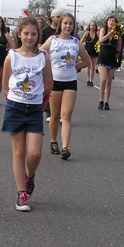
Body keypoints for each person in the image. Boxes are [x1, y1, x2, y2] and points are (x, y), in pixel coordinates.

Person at [1, 17, 52, 211]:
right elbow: (6, 82)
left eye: (33, 34)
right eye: (26, 33)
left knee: (35, 153)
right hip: (15, 106)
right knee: (19, 152)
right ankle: (21, 194)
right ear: (19, 34)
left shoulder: (43, 57)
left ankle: (29, 176)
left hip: (34, 109)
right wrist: (19, 94)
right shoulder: (11, 56)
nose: (29, 37)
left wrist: (37, 96)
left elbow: (49, 84)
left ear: (38, 35)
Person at [41, 12, 89, 160]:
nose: (68, 26)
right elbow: (39, 55)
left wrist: (76, 67)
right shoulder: (52, 41)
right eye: (65, 23)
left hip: (70, 81)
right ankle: (53, 141)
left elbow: (87, 61)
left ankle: (65, 147)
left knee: (66, 115)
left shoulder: (76, 43)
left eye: (71, 24)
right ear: (60, 25)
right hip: (54, 81)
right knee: (54, 114)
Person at [97, 16, 120, 110]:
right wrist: (110, 33)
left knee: (109, 81)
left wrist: (117, 55)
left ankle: (107, 102)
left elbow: (119, 48)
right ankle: (101, 100)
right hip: (102, 58)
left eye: (113, 21)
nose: (111, 22)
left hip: (111, 58)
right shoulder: (103, 30)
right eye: (109, 20)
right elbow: (101, 40)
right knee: (103, 79)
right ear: (107, 22)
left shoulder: (118, 34)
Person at [80, 20, 99, 86]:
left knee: (93, 66)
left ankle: (91, 80)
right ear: (89, 26)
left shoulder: (97, 34)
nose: (92, 27)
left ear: (95, 26)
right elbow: (81, 41)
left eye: (93, 25)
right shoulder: (86, 33)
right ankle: (88, 79)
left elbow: (100, 42)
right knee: (88, 65)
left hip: (94, 51)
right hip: (87, 50)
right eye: (91, 25)